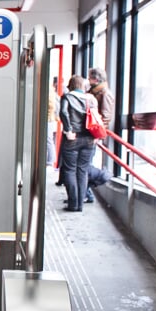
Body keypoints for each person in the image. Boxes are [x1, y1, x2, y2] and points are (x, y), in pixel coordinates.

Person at [59, 75, 98, 212]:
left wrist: (68, 129)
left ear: (71, 85)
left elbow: (63, 112)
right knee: (82, 171)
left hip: (72, 138)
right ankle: (80, 204)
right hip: (89, 139)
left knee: (70, 170)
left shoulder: (67, 97)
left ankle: (73, 203)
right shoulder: (91, 99)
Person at [85, 67, 115, 202]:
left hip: (93, 134)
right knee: (84, 164)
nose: (88, 80)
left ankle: (103, 175)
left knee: (85, 165)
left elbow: (106, 117)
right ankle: (86, 192)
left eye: (90, 77)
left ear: (96, 79)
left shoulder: (104, 94)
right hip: (89, 133)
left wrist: (97, 134)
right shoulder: (94, 92)